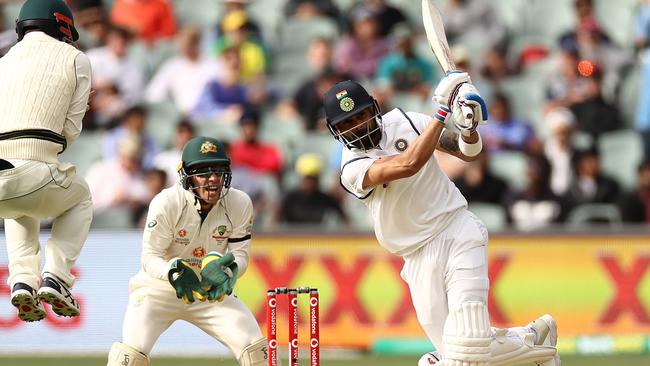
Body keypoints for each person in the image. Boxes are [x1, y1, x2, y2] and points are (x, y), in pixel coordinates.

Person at [323, 75, 560, 365]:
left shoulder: (409, 122)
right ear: (335, 131)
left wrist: (468, 127)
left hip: (457, 230)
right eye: (346, 123)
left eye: (359, 116)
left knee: (469, 342)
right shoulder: (350, 166)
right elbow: (407, 164)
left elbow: (467, 152)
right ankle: (533, 341)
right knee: (455, 355)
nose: (356, 127)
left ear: (374, 109)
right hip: (416, 256)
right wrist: (443, 111)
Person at [107, 136, 267, 366]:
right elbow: (150, 257)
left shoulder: (239, 203)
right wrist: (173, 271)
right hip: (160, 289)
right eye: (203, 173)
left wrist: (230, 271)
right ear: (187, 177)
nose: (213, 180)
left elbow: (240, 255)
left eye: (218, 171)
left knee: (257, 351)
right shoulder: (166, 203)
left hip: (210, 290)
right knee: (129, 356)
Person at [0, 0, 92, 322]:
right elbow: (70, 130)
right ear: (61, 25)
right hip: (36, 166)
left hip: (2, 172)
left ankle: (23, 279)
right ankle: (57, 276)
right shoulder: (77, 59)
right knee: (80, 196)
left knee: (18, 202)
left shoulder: (3, 61)